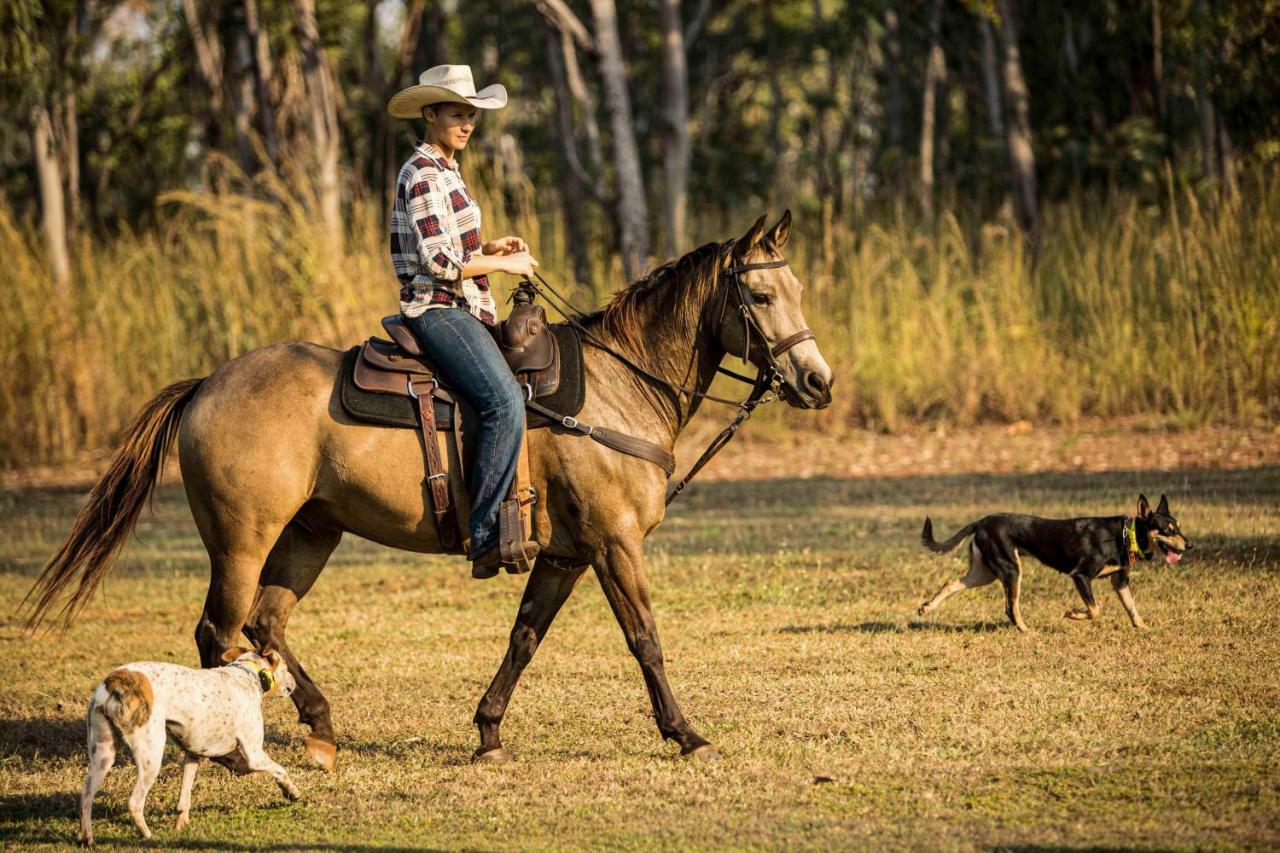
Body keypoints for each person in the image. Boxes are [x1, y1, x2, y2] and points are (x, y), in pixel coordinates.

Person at [387, 64, 538, 578]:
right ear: (430, 114)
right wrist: (502, 264)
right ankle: (486, 531)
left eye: (471, 114)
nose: (467, 122)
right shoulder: (425, 173)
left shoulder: (447, 170)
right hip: (438, 310)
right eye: (457, 112)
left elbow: (454, 247)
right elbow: (438, 263)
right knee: (502, 399)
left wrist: (489, 246)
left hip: (463, 305)